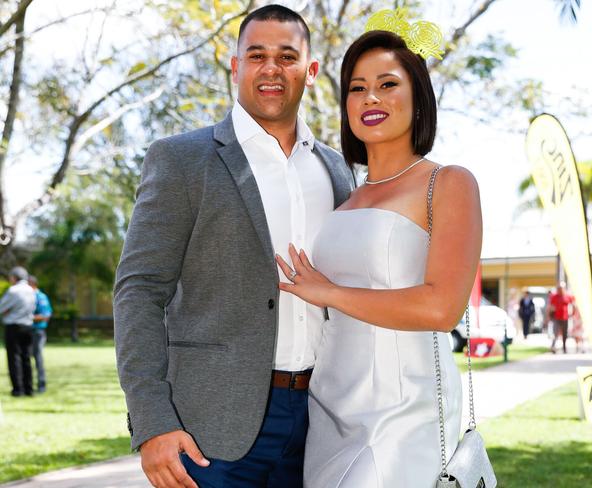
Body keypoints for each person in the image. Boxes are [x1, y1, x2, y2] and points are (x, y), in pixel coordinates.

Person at [113, 5, 354, 488]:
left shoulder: (337, 170)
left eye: (287, 56)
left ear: (311, 70)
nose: (271, 68)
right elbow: (138, 291)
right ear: (235, 65)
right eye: (257, 55)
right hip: (209, 429)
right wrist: (153, 422)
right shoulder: (181, 159)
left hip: (321, 421)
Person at [275, 28, 482, 487]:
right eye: (357, 88)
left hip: (405, 413)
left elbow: (441, 308)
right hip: (329, 409)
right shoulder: (344, 197)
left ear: (418, 95)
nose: (371, 98)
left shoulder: (448, 183)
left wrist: (329, 292)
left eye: (387, 84)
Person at [0, 266, 36, 396]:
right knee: (26, 357)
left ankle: (18, 389)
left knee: (14, 357)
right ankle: (29, 388)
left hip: (14, 327)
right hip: (28, 326)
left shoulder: (13, 290)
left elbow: (2, 307)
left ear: (14, 277)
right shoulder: (31, 290)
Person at [28, 275, 52, 393]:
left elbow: (45, 316)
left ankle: (41, 385)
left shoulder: (40, 297)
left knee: (37, 358)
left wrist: (28, 317)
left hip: (38, 332)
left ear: (32, 284)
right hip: (27, 331)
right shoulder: (28, 297)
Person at [548, 282, 574, 354]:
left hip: (565, 318)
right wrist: (549, 316)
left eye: (561, 288)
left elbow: (573, 304)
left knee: (564, 333)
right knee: (555, 332)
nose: (559, 290)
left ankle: (564, 348)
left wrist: (572, 313)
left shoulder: (567, 296)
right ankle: (553, 346)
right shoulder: (554, 297)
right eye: (558, 288)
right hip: (556, 317)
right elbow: (551, 307)